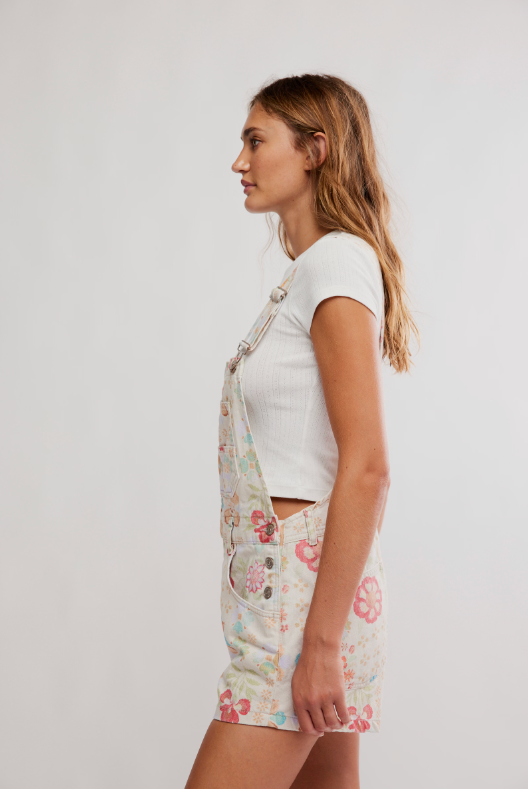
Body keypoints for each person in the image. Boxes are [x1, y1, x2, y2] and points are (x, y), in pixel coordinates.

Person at [185, 73, 419, 789]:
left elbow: (369, 465)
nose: (240, 161)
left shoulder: (337, 263)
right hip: (297, 596)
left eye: (256, 141)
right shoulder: (314, 270)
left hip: (301, 605)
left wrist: (319, 644)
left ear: (315, 150)